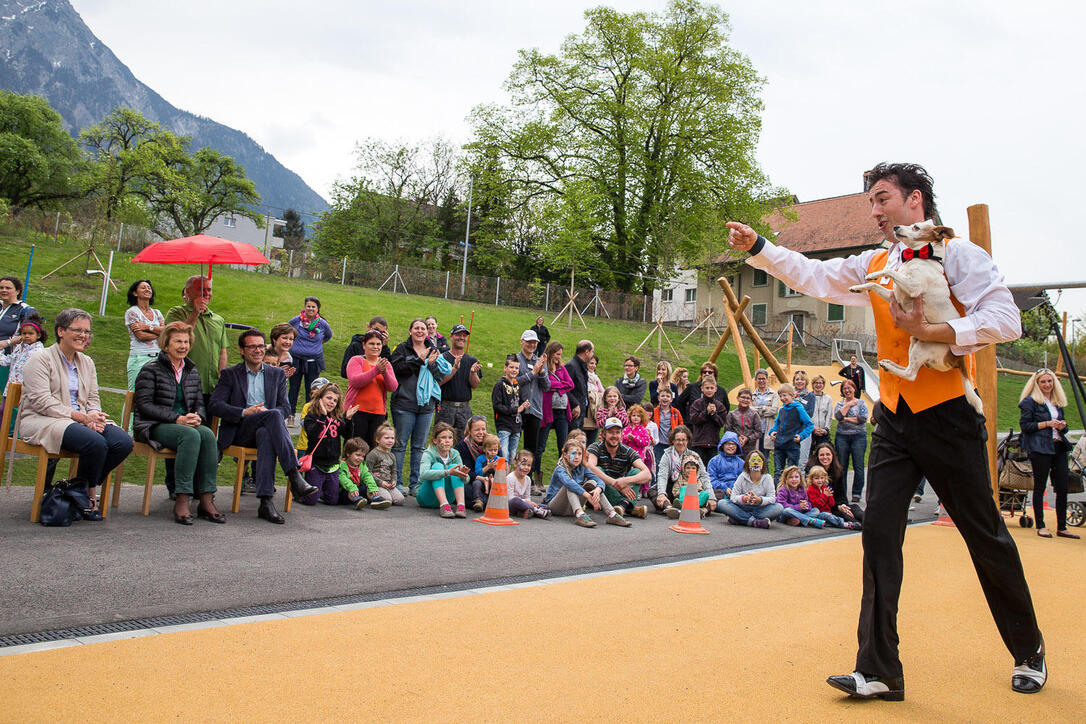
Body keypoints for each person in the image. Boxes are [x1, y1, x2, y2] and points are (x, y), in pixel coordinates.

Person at [727, 161, 1045, 698]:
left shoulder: (958, 255)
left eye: (882, 200)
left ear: (915, 200)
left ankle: (1028, 650)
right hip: (893, 416)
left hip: (948, 415)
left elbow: (1005, 319)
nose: (874, 212)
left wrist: (938, 330)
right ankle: (878, 669)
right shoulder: (877, 262)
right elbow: (815, 277)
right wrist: (760, 246)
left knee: (985, 536)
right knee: (877, 537)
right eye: (871, 203)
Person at [17, 308, 133, 517]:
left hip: (80, 420)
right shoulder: (40, 359)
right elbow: (42, 402)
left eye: (87, 332)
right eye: (78, 330)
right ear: (61, 331)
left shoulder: (86, 362)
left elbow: (93, 398)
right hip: (43, 420)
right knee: (95, 443)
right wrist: (82, 417)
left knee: (122, 442)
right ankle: (86, 495)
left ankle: (74, 489)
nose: (83, 336)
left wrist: (95, 417)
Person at [209, 328, 318, 524]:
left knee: (269, 429)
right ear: (242, 350)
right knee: (273, 416)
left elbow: (285, 407)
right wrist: (244, 412)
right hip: (239, 429)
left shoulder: (276, 374)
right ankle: (294, 475)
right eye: (252, 347)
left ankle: (266, 502)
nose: (258, 350)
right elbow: (215, 405)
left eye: (260, 346)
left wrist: (267, 413)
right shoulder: (230, 374)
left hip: (266, 428)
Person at [132, 321, 222, 524]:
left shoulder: (192, 371)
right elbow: (144, 405)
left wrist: (198, 415)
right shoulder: (151, 369)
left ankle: (206, 498)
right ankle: (183, 497)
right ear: (166, 344)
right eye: (177, 342)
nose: (183, 346)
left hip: (184, 423)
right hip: (153, 425)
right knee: (189, 435)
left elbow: (199, 401)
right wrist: (177, 418)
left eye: (186, 342)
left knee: (207, 433)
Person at [1018, 369, 1078, 539]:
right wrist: (1047, 423)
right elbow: (1026, 426)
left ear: (1054, 383)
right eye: (1043, 382)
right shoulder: (1030, 402)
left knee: (1063, 487)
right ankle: (1041, 525)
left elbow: (1065, 428)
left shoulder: (1057, 402)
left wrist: (1061, 426)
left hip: (1058, 446)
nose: (1047, 385)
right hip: (1040, 447)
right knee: (1040, 486)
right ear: (1036, 384)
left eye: (1049, 381)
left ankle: (1062, 526)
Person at [390, 318, 446, 496]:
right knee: (399, 445)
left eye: (423, 328)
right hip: (404, 404)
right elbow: (396, 369)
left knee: (419, 447)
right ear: (410, 331)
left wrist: (430, 364)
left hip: (426, 406)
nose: (420, 331)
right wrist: (418, 360)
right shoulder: (401, 348)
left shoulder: (434, 350)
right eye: (416, 328)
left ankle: (415, 483)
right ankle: (397, 483)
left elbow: (439, 376)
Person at [165, 275, 228, 405]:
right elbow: (178, 336)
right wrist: (195, 312)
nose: (206, 293)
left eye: (209, 289)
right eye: (201, 289)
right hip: (185, 383)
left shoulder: (218, 320)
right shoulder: (176, 313)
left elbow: (222, 351)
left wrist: (222, 378)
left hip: (211, 386)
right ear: (188, 291)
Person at [543, 439, 629, 528]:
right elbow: (569, 483)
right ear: (565, 455)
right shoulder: (560, 468)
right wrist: (588, 496)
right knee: (570, 485)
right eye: (573, 453)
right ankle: (580, 515)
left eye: (579, 454)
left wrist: (598, 490)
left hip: (571, 507)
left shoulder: (582, 467)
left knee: (592, 483)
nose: (577, 457)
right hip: (556, 507)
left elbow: (599, 480)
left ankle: (612, 514)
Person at [298, 381, 355, 506]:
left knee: (332, 500)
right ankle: (300, 493)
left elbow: (347, 436)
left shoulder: (337, 419)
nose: (331, 402)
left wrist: (348, 420)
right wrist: (323, 417)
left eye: (335, 400)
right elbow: (313, 433)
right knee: (310, 501)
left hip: (333, 464)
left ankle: (322, 491)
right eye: (328, 398)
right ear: (320, 398)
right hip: (316, 463)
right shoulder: (312, 416)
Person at [586, 417, 650, 520]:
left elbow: (647, 474)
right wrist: (616, 484)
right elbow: (590, 468)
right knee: (598, 470)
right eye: (611, 432)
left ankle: (622, 506)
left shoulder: (628, 451)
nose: (614, 436)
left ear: (621, 434)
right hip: (600, 493)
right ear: (604, 434)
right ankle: (628, 506)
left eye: (617, 432)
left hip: (621, 489)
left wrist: (626, 480)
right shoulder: (595, 447)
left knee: (637, 472)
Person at [344, 329, 398, 448]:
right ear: (364, 345)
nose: (375, 347)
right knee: (355, 447)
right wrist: (376, 370)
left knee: (373, 448)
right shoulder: (356, 360)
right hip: (357, 411)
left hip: (378, 413)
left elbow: (393, 386)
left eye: (378, 344)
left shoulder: (385, 364)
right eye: (371, 344)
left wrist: (384, 372)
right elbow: (355, 381)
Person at [287, 296, 333, 417]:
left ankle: (310, 415)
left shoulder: (322, 324)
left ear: (317, 309)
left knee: (312, 390)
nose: (311, 309)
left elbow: (328, 336)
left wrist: (317, 344)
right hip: (296, 360)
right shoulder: (296, 321)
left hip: (313, 361)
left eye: (313, 307)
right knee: (294, 388)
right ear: (304, 307)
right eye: (308, 306)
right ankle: (290, 414)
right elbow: (286, 331)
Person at [651, 425, 712, 516]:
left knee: (717, 494)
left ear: (688, 441)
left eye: (684, 440)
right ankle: (669, 508)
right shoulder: (667, 455)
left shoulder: (694, 455)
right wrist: (662, 494)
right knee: (652, 491)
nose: (681, 443)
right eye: (678, 440)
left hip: (694, 489)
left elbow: (704, 476)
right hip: (673, 489)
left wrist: (712, 497)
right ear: (673, 441)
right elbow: (662, 476)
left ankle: (701, 510)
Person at [435, 323, 482, 433]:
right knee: (442, 440)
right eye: (458, 335)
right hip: (445, 407)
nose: (461, 338)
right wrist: (454, 368)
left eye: (464, 335)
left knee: (463, 443)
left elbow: (474, 385)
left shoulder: (472, 360)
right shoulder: (442, 358)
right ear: (451, 337)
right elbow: (438, 382)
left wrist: (473, 373)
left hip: (465, 409)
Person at [516, 329, 550, 478]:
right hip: (516, 408)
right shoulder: (514, 359)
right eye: (529, 341)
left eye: (534, 342)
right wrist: (533, 373)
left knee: (531, 448)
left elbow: (547, 386)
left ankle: (526, 481)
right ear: (522, 341)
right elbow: (514, 381)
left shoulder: (539, 361)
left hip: (535, 409)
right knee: (512, 445)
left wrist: (541, 372)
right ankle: (511, 479)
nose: (531, 344)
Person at [416, 422, 470, 518]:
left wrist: (464, 475)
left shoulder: (455, 454)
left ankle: (461, 506)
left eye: (450, 438)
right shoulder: (429, 453)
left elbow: (467, 480)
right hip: (426, 497)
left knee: (455, 467)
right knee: (438, 466)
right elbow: (423, 474)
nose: (447, 441)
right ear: (435, 441)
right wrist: (447, 472)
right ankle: (443, 506)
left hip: (449, 498)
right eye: (443, 437)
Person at [0, 313, 46, 423]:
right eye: (24, 333)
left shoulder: (39, 351)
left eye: (30, 333)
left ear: (38, 335)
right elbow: (7, 361)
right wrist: (2, 348)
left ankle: (17, 437)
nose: (27, 336)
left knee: (22, 415)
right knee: (3, 412)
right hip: (11, 387)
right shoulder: (20, 347)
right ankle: (3, 437)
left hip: (26, 389)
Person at [719, 451, 781, 528]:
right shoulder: (742, 477)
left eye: (758, 460)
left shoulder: (767, 478)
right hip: (742, 508)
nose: (756, 463)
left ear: (763, 463)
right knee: (722, 503)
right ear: (748, 463)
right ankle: (754, 522)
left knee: (778, 507)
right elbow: (733, 497)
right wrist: (744, 498)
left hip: (760, 509)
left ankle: (740, 519)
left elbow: (772, 498)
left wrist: (759, 500)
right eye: (753, 460)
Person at [807, 442, 864, 525]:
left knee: (855, 508)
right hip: (825, 508)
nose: (825, 457)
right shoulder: (813, 471)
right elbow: (814, 500)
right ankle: (862, 526)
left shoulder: (838, 471)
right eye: (822, 455)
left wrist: (844, 506)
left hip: (836, 504)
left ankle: (871, 522)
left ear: (832, 456)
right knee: (846, 516)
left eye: (828, 454)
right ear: (817, 457)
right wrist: (838, 507)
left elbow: (842, 495)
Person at [124, 279, 165, 391]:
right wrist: (159, 333)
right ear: (135, 293)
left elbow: (166, 332)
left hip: (159, 358)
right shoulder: (132, 312)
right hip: (139, 357)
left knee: (155, 392)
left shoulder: (157, 313)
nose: (147, 289)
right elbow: (140, 336)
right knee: (135, 392)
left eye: (149, 287)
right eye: (143, 287)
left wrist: (147, 327)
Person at [768, 383, 814, 484]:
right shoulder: (782, 409)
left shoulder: (798, 408)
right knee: (778, 472)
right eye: (780, 396)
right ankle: (777, 494)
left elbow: (810, 425)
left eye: (785, 395)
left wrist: (801, 436)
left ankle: (791, 494)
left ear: (792, 396)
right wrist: (772, 432)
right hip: (779, 445)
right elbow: (777, 424)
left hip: (792, 445)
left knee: (792, 472)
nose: (782, 398)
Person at [0, 275, 38, 395]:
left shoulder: (25, 310)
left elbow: (31, 334)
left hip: (10, 358)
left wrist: (7, 342)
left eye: (8, 288)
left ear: (17, 291)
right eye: (1, 287)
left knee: (8, 396)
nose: (4, 290)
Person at [539, 341, 574, 466]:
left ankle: (562, 473)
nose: (559, 357)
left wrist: (555, 387)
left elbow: (570, 384)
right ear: (551, 353)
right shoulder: (543, 368)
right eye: (557, 354)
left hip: (562, 411)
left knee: (563, 446)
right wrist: (560, 386)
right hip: (548, 410)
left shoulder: (561, 368)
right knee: (541, 445)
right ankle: (536, 473)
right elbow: (546, 385)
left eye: (560, 355)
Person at [834, 380, 869, 502]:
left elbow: (862, 418)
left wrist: (846, 419)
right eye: (844, 389)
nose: (847, 390)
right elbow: (838, 417)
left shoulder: (861, 403)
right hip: (842, 436)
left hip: (858, 436)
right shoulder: (839, 404)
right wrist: (848, 405)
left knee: (858, 465)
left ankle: (857, 493)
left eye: (849, 388)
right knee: (841, 465)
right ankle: (842, 492)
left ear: (854, 389)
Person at [338, 437, 392, 510]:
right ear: (348, 453)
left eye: (363, 456)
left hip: (358, 489)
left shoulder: (362, 465)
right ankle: (356, 500)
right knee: (348, 491)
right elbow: (343, 479)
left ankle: (375, 499)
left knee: (367, 487)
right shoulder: (342, 465)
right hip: (346, 491)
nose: (360, 458)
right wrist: (352, 488)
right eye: (358, 455)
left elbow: (367, 476)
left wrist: (372, 487)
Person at [492, 354, 529, 462]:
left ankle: (507, 477)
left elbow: (520, 403)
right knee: (503, 455)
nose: (514, 370)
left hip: (517, 426)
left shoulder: (517, 386)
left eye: (516, 368)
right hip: (504, 425)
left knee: (512, 456)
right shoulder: (499, 385)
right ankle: (500, 478)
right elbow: (497, 406)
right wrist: (516, 410)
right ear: (505, 368)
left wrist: (524, 406)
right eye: (511, 367)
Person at [806, 465, 861, 530]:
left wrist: (829, 496)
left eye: (822, 478)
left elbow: (832, 504)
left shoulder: (824, 488)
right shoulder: (810, 490)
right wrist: (824, 496)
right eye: (816, 478)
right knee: (827, 516)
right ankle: (846, 524)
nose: (820, 480)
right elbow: (816, 505)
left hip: (828, 512)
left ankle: (852, 523)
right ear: (811, 479)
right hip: (819, 513)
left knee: (830, 519)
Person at [687, 377, 727, 466]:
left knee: (711, 469)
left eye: (711, 388)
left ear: (715, 389)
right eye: (707, 388)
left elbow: (721, 423)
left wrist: (713, 415)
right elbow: (694, 420)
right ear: (702, 389)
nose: (709, 390)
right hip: (698, 443)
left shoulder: (720, 406)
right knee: (698, 468)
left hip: (713, 443)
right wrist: (706, 413)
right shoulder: (697, 404)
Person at [455, 415, 490, 512]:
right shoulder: (463, 445)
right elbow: (465, 470)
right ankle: (483, 502)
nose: (481, 433)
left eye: (483, 429)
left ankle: (480, 502)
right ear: (469, 431)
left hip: (490, 482)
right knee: (465, 490)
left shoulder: (492, 443)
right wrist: (480, 478)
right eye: (477, 430)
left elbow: (501, 465)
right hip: (471, 481)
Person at [366, 423, 405, 506]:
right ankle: (371, 495)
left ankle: (383, 496)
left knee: (400, 500)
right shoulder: (373, 454)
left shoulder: (392, 455)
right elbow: (367, 472)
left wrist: (394, 481)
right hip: (376, 485)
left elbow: (394, 471)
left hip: (388, 484)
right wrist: (380, 482)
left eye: (392, 438)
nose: (390, 440)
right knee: (388, 499)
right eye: (386, 438)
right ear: (377, 440)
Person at [506, 450, 550, 519]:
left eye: (529, 465)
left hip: (524, 505)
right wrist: (526, 502)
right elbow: (510, 498)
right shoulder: (510, 478)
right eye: (523, 464)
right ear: (515, 463)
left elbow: (527, 496)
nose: (526, 467)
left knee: (546, 506)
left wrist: (529, 502)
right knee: (516, 500)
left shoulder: (528, 479)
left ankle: (527, 512)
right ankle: (536, 510)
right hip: (511, 505)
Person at [750, 369, 778, 470]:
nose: (761, 381)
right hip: (756, 429)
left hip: (767, 429)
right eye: (759, 379)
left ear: (767, 379)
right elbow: (750, 410)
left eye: (763, 379)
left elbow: (774, 410)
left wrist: (757, 410)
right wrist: (764, 408)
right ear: (756, 380)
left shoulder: (773, 394)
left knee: (765, 456)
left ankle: (766, 478)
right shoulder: (752, 395)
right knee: (755, 456)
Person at [622, 404, 657, 484]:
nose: (635, 417)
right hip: (626, 455)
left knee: (638, 472)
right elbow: (622, 442)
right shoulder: (626, 429)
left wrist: (634, 438)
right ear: (630, 416)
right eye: (633, 415)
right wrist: (627, 438)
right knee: (626, 472)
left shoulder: (643, 429)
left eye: (638, 416)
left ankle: (639, 490)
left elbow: (645, 442)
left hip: (639, 456)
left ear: (642, 418)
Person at [724, 387, 762, 459]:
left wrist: (747, 438)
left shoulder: (754, 414)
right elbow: (727, 430)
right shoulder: (732, 414)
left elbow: (758, 432)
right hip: (735, 447)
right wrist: (737, 437)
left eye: (748, 398)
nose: (745, 400)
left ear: (751, 400)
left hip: (750, 448)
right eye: (743, 397)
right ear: (738, 398)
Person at [708, 430, 744, 501]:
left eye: (733, 444)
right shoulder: (714, 461)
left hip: (737, 493)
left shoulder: (741, 463)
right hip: (720, 493)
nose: (731, 446)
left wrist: (735, 489)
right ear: (723, 445)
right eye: (728, 444)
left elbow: (744, 480)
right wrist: (725, 488)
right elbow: (711, 479)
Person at [564, 339, 592, 431]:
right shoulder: (571, 366)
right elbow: (565, 388)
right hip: (574, 411)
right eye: (592, 351)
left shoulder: (582, 366)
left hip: (581, 410)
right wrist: (575, 404)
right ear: (586, 352)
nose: (592, 354)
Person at [651, 386, 682, 464]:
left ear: (671, 399)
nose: (665, 398)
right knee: (658, 463)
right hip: (658, 443)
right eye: (662, 396)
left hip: (671, 443)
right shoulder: (654, 412)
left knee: (672, 464)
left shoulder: (676, 412)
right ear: (658, 398)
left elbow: (681, 426)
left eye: (668, 396)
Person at [792, 371, 817, 468]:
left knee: (802, 462)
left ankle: (801, 482)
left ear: (806, 381)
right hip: (791, 431)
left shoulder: (810, 396)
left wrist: (796, 410)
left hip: (804, 431)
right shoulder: (790, 395)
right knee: (791, 461)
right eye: (797, 379)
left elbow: (809, 413)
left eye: (802, 379)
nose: (799, 381)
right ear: (794, 381)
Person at [472, 433, 503, 507]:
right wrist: (488, 467)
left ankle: (497, 501)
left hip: (494, 481)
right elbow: (477, 472)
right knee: (476, 483)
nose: (493, 452)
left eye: (495, 450)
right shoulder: (480, 459)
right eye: (490, 450)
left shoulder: (499, 459)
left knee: (500, 485)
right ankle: (478, 501)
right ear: (484, 449)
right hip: (483, 480)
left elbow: (502, 475)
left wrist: (495, 468)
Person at [583, 354, 604, 445]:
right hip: (585, 407)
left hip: (595, 407)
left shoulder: (595, 377)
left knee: (592, 442)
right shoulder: (584, 375)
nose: (593, 366)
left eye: (595, 364)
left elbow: (602, 390)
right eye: (591, 363)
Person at [809, 374, 834, 449]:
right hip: (811, 431)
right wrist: (813, 428)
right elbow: (806, 415)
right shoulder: (808, 397)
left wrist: (825, 429)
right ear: (813, 384)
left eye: (820, 383)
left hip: (823, 431)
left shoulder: (828, 398)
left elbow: (829, 415)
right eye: (816, 383)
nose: (818, 385)